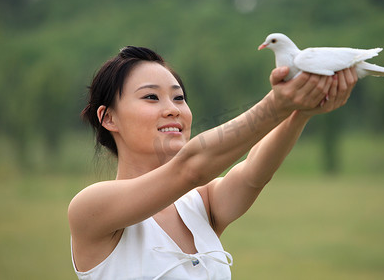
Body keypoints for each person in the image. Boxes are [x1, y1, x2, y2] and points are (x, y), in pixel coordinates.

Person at [68, 46, 357, 279]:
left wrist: (300, 110)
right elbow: (191, 168)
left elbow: (253, 174)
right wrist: (278, 103)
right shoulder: (91, 208)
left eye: (179, 97)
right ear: (108, 118)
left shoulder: (200, 203)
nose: (172, 109)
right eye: (151, 97)